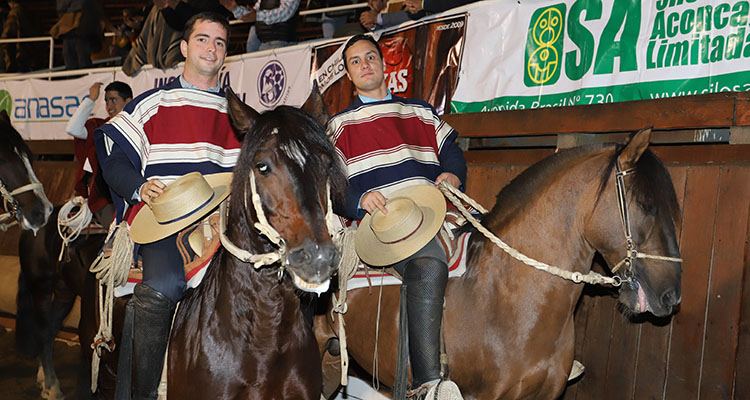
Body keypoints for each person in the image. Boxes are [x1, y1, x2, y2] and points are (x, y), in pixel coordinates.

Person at [96, 12, 240, 399]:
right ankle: (142, 394)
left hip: (223, 217)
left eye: (220, 42)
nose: (211, 48)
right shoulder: (153, 103)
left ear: (226, 53)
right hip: (166, 217)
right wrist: (139, 187)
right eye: (203, 39)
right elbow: (112, 155)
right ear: (183, 48)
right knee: (161, 286)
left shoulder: (237, 111)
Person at [327, 34, 466, 399]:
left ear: (383, 63)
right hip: (386, 220)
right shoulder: (339, 126)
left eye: (370, 57)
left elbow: (451, 149)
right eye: (355, 61)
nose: (365, 64)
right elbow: (333, 188)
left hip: (433, 208)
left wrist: (452, 173)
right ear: (348, 74)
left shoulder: (420, 110)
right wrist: (359, 200)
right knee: (428, 265)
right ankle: (428, 384)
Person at [65, 81, 133, 227]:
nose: (109, 106)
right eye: (106, 101)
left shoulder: (139, 129)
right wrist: (91, 99)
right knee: (120, 229)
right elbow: (73, 129)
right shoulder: (99, 128)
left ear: (128, 102)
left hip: (132, 193)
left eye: (113, 100)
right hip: (103, 197)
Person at [220, 0, 300, 51]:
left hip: (280, 42)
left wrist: (256, 16)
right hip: (262, 42)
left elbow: (285, 13)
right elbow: (252, 14)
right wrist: (234, 8)